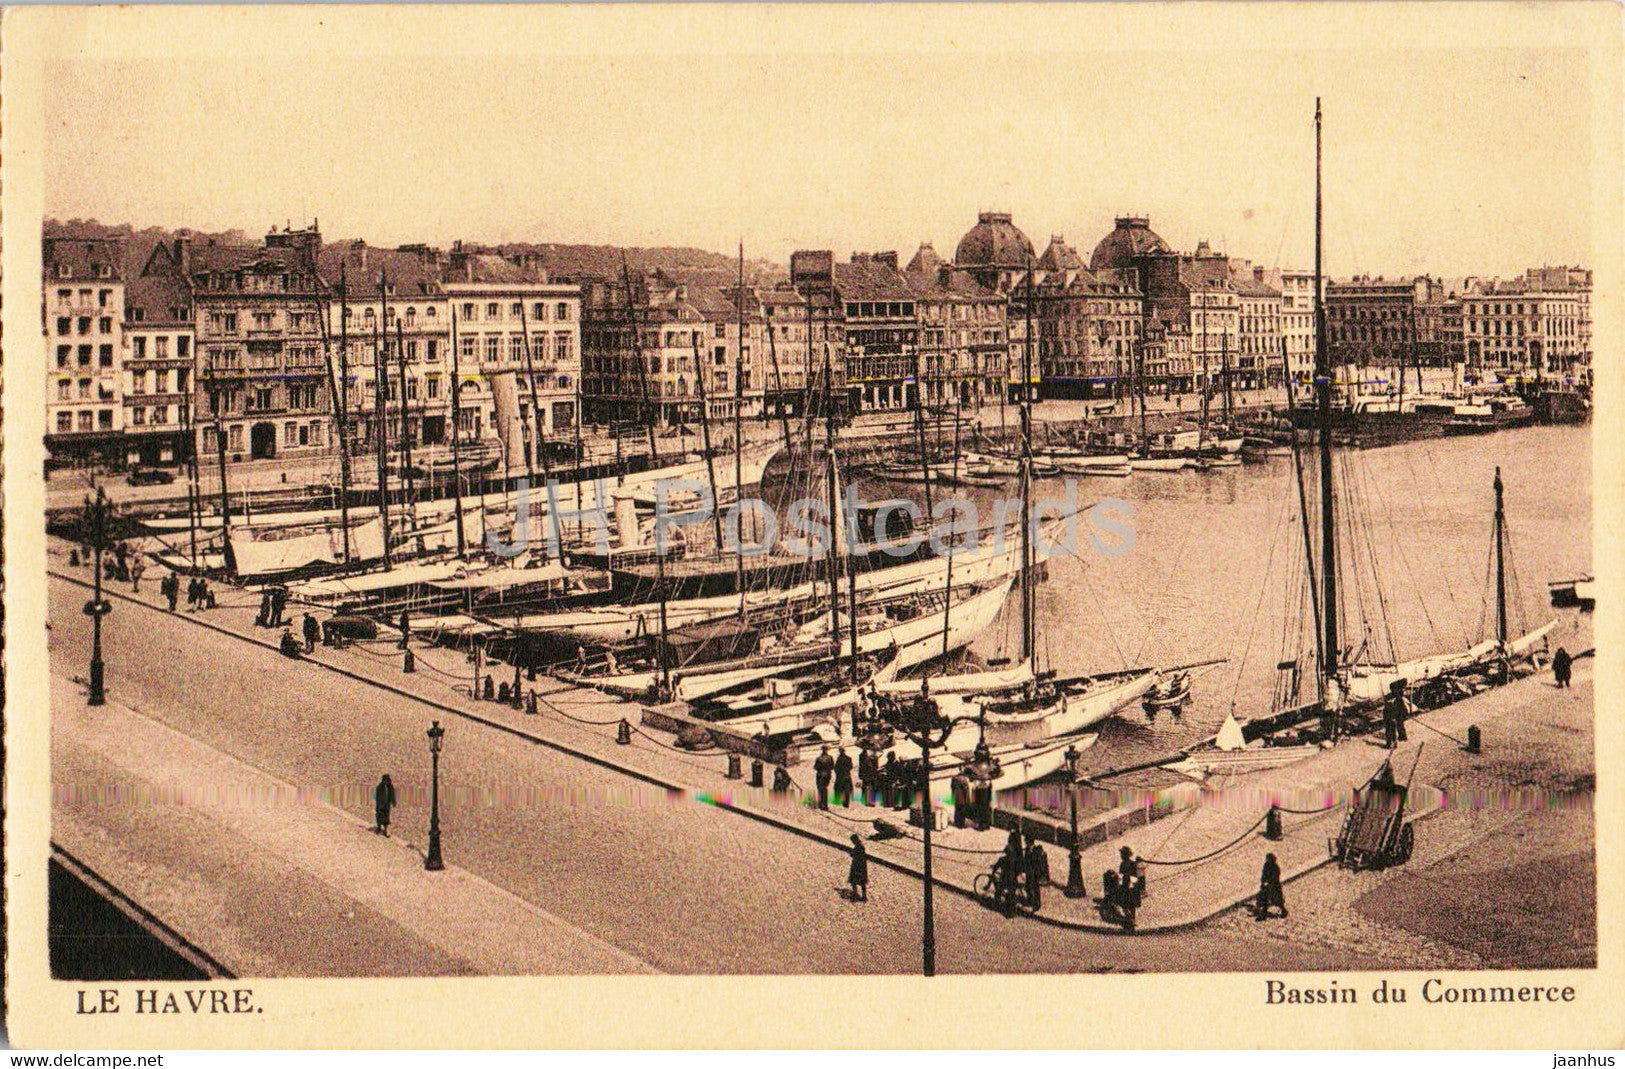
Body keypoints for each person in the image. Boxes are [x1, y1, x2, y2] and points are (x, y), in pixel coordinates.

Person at [1254, 852, 1287, 920]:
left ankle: (1283, 910)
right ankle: (1260, 910)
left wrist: (1269, 882)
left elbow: (1275, 877)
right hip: (1267, 885)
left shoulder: (1275, 867)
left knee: (1277, 900)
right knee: (1263, 897)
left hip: (1274, 886)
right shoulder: (1266, 865)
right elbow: (1264, 874)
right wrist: (1263, 882)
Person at [1383, 679, 1410, 749]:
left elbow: (1388, 708)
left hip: (1391, 715)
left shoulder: (1389, 697)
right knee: (1399, 725)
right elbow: (1401, 706)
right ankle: (1402, 737)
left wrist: (1390, 717)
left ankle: (1391, 744)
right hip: (1398, 714)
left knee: (1390, 730)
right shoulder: (1399, 695)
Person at [1026, 838, 1051, 910]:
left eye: (1026, 841)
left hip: (1034, 873)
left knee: (1035, 889)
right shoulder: (1028, 849)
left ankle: (1037, 904)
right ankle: (1030, 900)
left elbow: (1038, 863)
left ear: (1030, 842)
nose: (1026, 843)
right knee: (1028, 887)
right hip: (1029, 872)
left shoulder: (1036, 851)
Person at [847, 834, 869, 903]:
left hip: (858, 866)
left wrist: (852, 854)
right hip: (860, 866)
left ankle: (857, 893)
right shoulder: (859, 846)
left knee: (856, 881)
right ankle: (861, 895)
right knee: (860, 882)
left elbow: (858, 857)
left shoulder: (859, 847)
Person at [813, 745, 835, 810]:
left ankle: (820, 804)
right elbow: (832, 766)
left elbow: (815, 767)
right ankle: (825, 805)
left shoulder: (818, 758)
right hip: (827, 775)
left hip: (820, 775)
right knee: (825, 789)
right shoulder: (830, 757)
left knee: (820, 789)